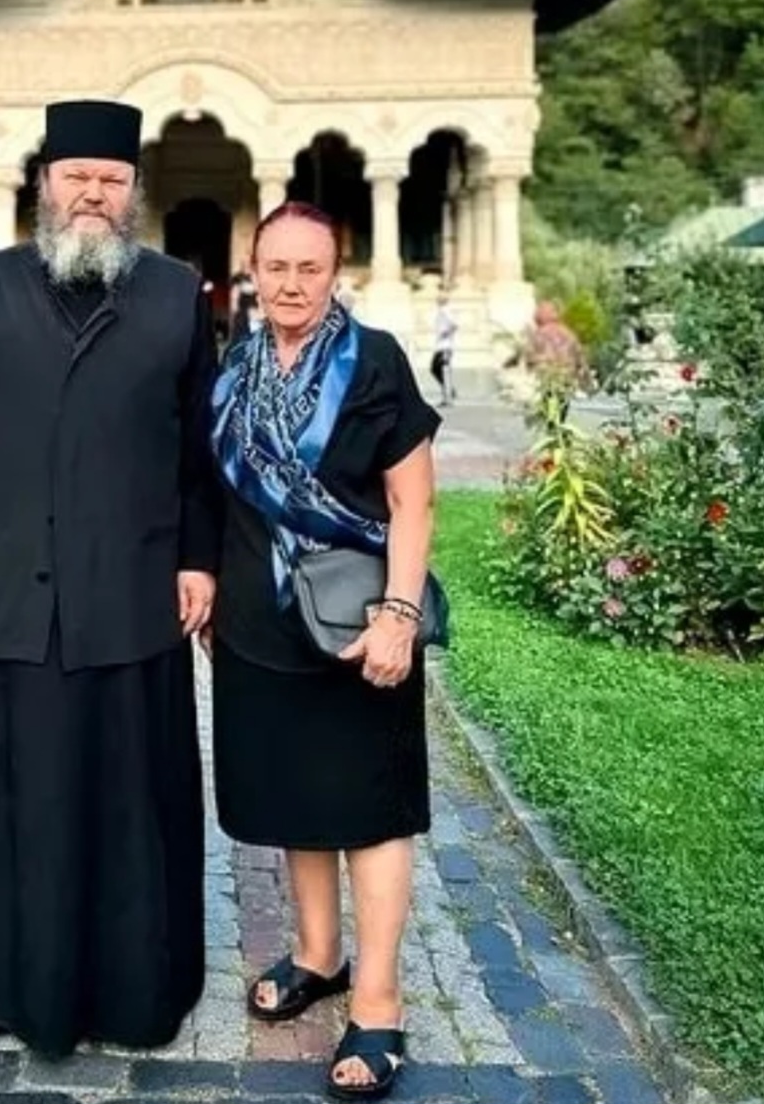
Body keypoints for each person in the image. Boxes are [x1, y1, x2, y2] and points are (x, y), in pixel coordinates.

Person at [0, 98, 223, 1058]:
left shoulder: (177, 293)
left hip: (133, 588)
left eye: (111, 180)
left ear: (133, 192)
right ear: (46, 183)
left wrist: (199, 557)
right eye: (77, 175)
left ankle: (133, 992)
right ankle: (0, 982)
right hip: (12, 587)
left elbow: (200, 449)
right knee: (15, 797)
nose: (93, 193)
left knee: (128, 800)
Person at [209, 202, 439, 1102]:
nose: (292, 284)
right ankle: (317, 954)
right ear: (253, 269)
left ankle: (378, 1001)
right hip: (258, 626)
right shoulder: (235, 369)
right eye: (277, 267)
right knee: (296, 798)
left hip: (356, 628)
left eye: (310, 268)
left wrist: (399, 614)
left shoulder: (373, 360)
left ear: (335, 274)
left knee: (369, 809)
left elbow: (413, 502)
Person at [430, 292, 457, 406]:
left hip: (445, 346)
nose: (437, 300)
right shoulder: (440, 311)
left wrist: (445, 334)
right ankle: (449, 391)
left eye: (440, 298)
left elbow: (454, 325)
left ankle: (448, 397)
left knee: (442, 370)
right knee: (435, 369)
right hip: (439, 346)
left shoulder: (446, 310)